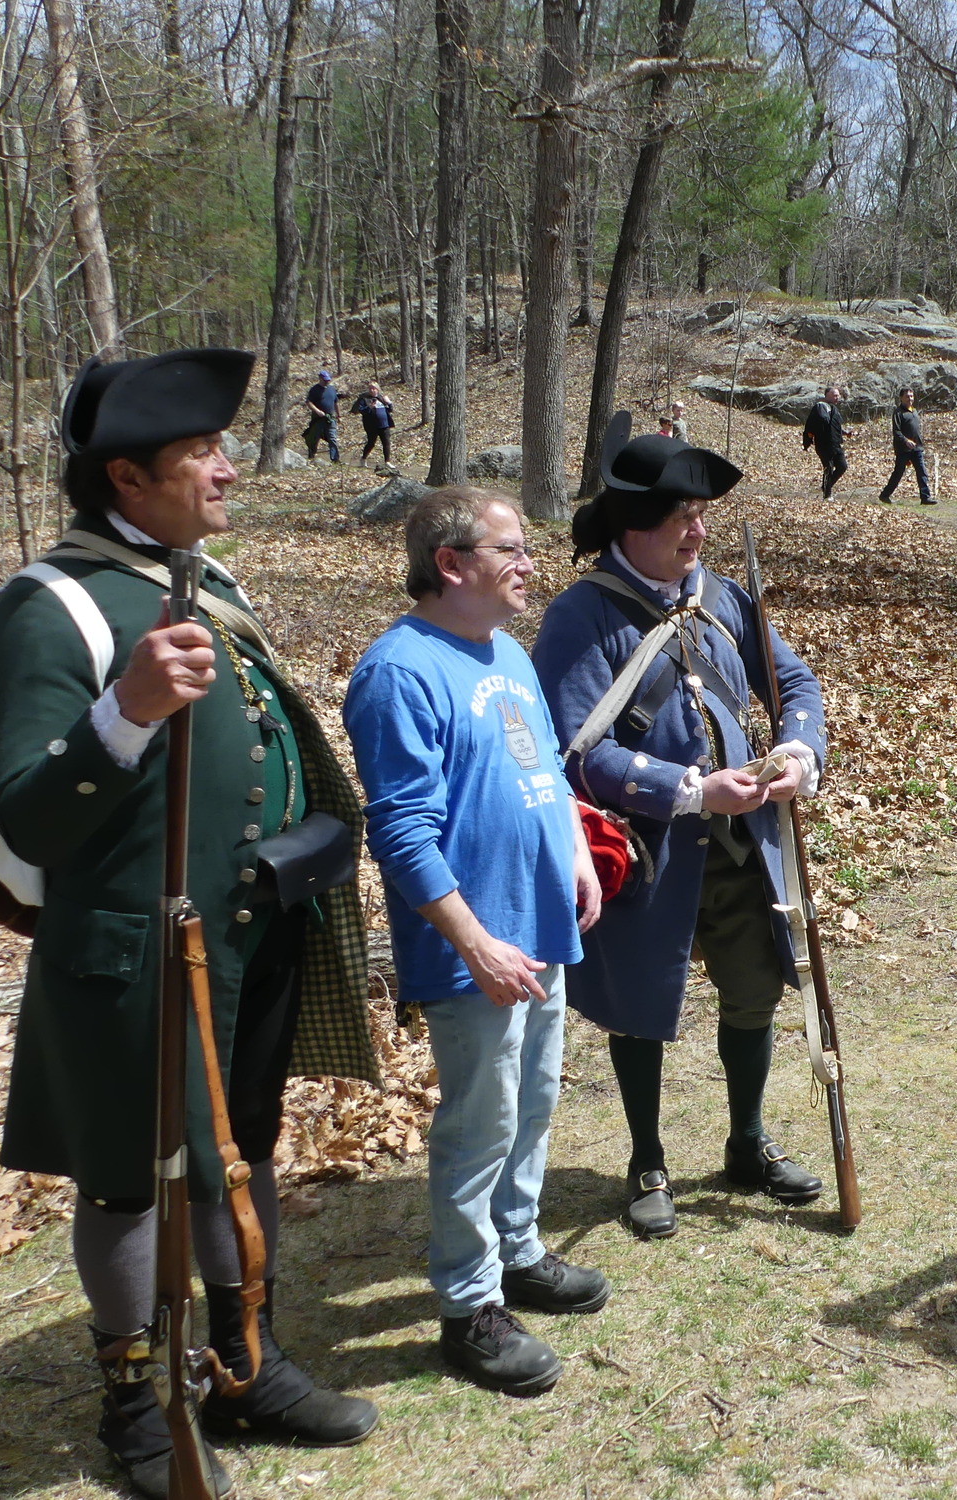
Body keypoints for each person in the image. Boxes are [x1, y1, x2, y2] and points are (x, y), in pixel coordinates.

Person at [0, 349, 380, 1498]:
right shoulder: (50, 606)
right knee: (127, 1179)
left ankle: (246, 1364)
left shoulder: (207, 580)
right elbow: (27, 814)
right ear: (127, 476)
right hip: (132, 956)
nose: (225, 471)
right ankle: (139, 1407)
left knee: (236, 1155)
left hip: (245, 935)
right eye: (200, 455)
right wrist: (126, 710)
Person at [531, 413, 829, 1241]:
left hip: (744, 843)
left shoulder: (725, 598)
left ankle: (746, 1141)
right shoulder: (579, 617)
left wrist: (800, 748)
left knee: (753, 994)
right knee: (639, 1004)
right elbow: (571, 754)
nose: (698, 529)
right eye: (681, 518)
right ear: (635, 527)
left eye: (700, 513)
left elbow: (794, 683)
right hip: (645, 851)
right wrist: (690, 790)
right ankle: (647, 1160)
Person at [344, 488, 609, 1397]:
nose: (529, 563)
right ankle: (468, 1305)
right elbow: (402, 834)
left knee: (531, 1105)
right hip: (477, 951)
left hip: (542, 925)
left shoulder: (506, 652)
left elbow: (544, 765)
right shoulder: (399, 671)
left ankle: (520, 1250)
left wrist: (575, 850)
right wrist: (475, 944)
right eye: (510, 548)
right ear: (452, 563)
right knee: (478, 1124)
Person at [879, 386, 933, 505]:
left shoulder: (914, 411)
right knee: (898, 473)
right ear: (901, 398)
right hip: (903, 449)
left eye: (911, 396)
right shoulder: (898, 413)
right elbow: (896, 431)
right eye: (907, 396)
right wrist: (905, 441)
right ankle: (884, 495)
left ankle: (925, 498)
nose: (910, 398)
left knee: (922, 472)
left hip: (917, 448)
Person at [802, 385, 847, 498]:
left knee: (842, 466)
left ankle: (826, 486)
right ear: (827, 395)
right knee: (829, 468)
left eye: (838, 395)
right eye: (835, 395)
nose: (837, 397)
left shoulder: (834, 409)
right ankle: (827, 495)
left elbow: (833, 426)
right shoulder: (821, 406)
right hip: (824, 444)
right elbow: (822, 420)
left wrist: (845, 432)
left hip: (836, 444)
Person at [352, 380, 395, 465]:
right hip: (372, 426)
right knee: (371, 443)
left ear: (377, 389)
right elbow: (361, 410)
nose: (372, 390)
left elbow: (390, 410)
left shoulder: (381, 398)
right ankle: (363, 458)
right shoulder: (364, 399)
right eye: (370, 388)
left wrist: (389, 403)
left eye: (374, 388)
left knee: (386, 443)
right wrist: (370, 407)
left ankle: (387, 462)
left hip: (384, 425)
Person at [302, 369, 340, 462]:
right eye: (325, 380)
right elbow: (309, 402)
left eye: (328, 380)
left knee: (332, 438)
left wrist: (339, 415)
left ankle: (335, 459)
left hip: (330, 418)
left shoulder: (331, 389)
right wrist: (317, 411)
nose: (327, 382)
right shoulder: (314, 390)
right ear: (320, 378)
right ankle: (311, 456)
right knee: (314, 438)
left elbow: (336, 402)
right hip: (318, 419)